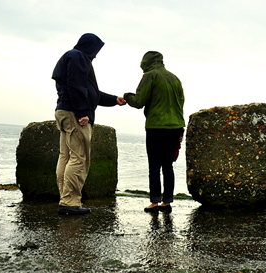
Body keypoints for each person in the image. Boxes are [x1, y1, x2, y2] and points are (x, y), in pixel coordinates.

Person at [52, 33, 126, 215]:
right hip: (75, 114)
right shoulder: (79, 57)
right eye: (96, 50)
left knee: (66, 156)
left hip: (64, 111)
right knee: (79, 158)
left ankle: (65, 199)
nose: (96, 55)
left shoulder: (72, 57)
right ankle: (69, 202)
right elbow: (76, 86)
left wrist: (114, 100)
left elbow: (91, 92)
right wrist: (83, 112)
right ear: (89, 47)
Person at [124, 51, 185, 213]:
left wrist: (126, 96)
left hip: (156, 127)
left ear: (146, 62)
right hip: (175, 127)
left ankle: (155, 202)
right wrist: (180, 129)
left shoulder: (150, 76)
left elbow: (139, 101)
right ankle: (167, 202)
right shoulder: (174, 78)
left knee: (154, 167)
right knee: (168, 166)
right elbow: (180, 103)